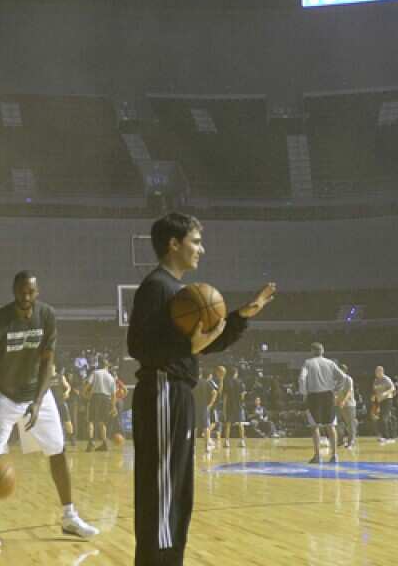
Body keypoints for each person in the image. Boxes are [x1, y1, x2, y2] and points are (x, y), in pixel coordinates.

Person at [126, 212, 275, 566]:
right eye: (195, 241)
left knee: (177, 491)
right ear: (173, 244)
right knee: (163, 492)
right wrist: (185, 350)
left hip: (176, 392)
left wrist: (242, 317)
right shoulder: (157, 287)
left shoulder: (177, 291)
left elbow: (204, 343)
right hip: (162, 389)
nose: (201, 249)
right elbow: (138, 346)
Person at [0, 271, 98, 549]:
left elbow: (47, 362)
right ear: (14, 291)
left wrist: (39, 402)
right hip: (4, 395)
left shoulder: (47, 316)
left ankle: (69, 517)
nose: (25, 297)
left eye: (30, 292)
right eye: (21, 292)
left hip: (36, 394)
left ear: (37, 292)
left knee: (58, 450)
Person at [299, 343, 346, 464]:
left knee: (315, 427)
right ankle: (334, 455)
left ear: (311, 351)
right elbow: (343, 377)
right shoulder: (330, 363)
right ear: (323, 351)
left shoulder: (308, 363)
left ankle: (317, 456)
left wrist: (304, 393)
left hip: (314, 396)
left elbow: (302, 378)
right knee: (330, 426)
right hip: (328, 395)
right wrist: (336, 390)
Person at [85, 356, 117, 451]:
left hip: (96, 397)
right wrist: (113, 407)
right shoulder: (111, 377)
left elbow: (88, 385)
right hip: (106, 399)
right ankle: (104, 444)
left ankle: (90, 443)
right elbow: (114, 395)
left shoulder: (95, 373)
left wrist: (84, 394)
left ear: (99, 364)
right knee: (102, 422)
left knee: (91, 421)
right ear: (107, 365)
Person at [221, 366, 248, 447]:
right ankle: (242, 441)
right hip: (239, 406)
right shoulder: (240, 382)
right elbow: (243, 396)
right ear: (236, 373)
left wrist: (224, 408)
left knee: (228, 424)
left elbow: (225, 397)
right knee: (240, 424)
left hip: (229, 406)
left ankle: (226, 442)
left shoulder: (226, 382)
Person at [371, 366, 397, 444]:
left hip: (387, 400)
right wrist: (374, 396)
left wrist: (386, 393)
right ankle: (384, 436)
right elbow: (375, 390)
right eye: (375, 371)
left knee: (384, 418)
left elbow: (393, 388)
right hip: (380, 401)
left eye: (377, 371)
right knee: (381, 418)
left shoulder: (386, 379)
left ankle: (389, 437)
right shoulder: (375, 381)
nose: (376, 373)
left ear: (381, 371)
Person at [336, 363, 358, 450]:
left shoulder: (348, 379)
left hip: (349, 405)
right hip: (338, 404)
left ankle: (351, 442)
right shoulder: (336, 380)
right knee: (337, 423)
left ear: (344, 371)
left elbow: (349, 392)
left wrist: (343, 402)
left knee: (350, 424)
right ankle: (340, 441)